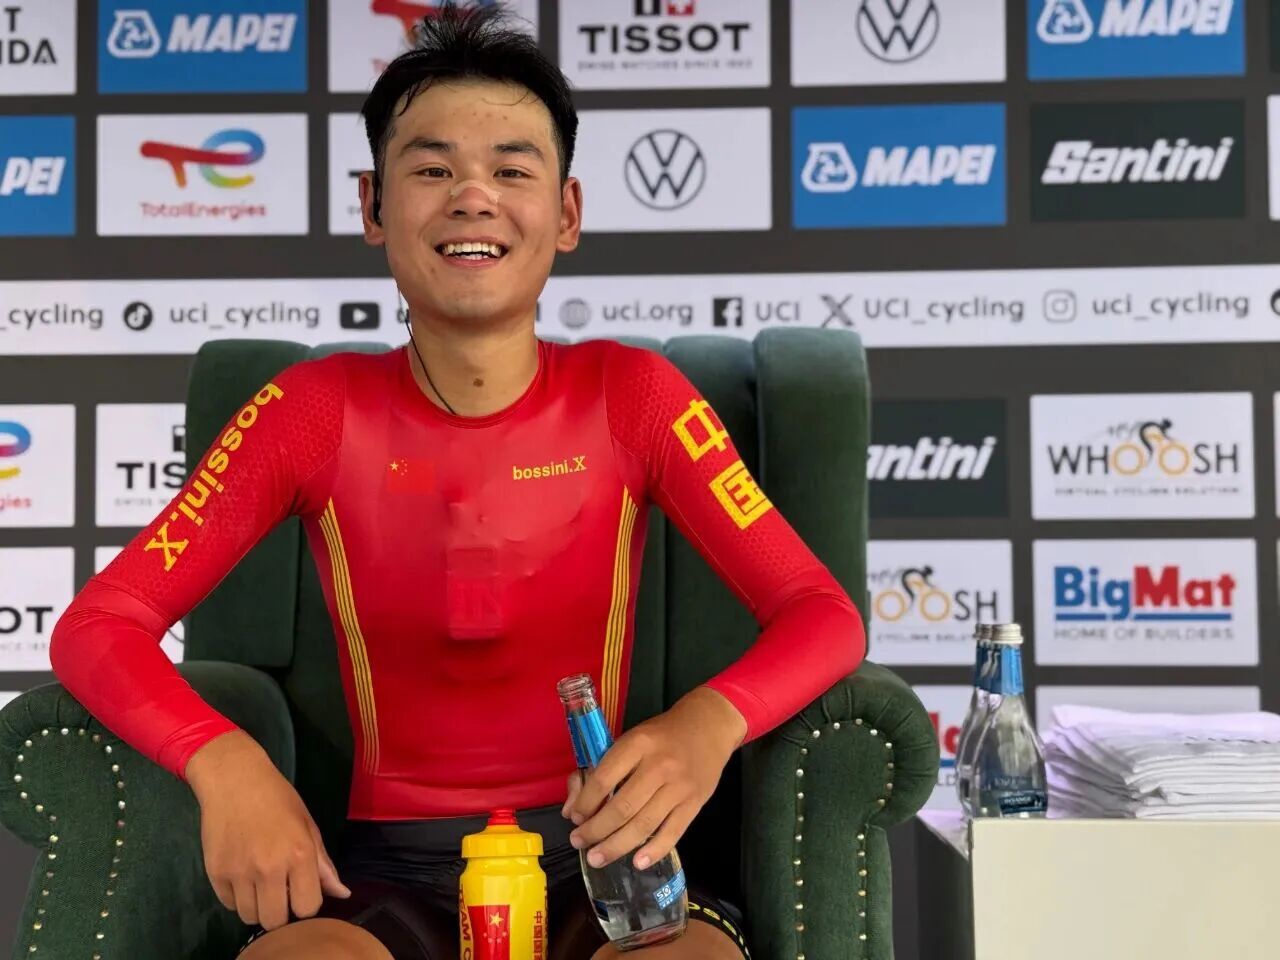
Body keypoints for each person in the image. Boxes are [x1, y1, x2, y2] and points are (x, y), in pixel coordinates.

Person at [48, 5, 866, 959]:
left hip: (608, 862)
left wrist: (706, 726)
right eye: (432, 170)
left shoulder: (636, 396)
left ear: (566, 214)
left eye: (512, 171)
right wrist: (224, 761)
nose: (473, 197)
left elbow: (823, 614)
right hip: (379, 881)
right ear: (372, 207)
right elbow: (99, 626)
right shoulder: (309, 412)